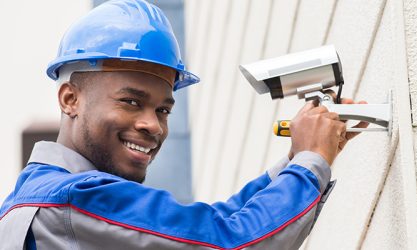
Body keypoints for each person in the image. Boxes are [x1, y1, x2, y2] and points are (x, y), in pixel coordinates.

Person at [0, 0, 368, 249]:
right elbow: (230, 241)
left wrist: (296, 159)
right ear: (70, 99)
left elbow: (214, 223)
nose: (152, 125)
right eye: (131, 102)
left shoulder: (33, 201)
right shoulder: (74, 199)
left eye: (163, 110)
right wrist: (310, 162)